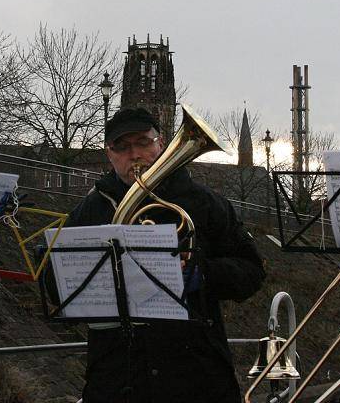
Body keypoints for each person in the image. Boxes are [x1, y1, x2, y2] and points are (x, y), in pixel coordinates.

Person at [62, 107, 265, 403]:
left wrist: (201, 273)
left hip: (196, 375)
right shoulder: (92, 209)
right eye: (122, 147)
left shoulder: (204, 203)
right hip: (117, 377)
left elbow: (252, 271)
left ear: (161, 143)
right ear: (109, 154)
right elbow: (55, 285)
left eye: (143, 143)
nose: (134, 154)